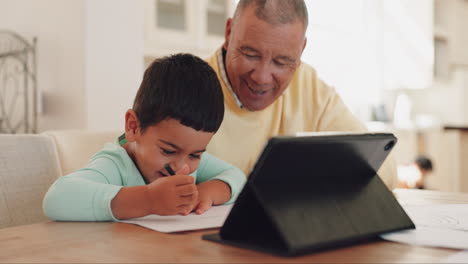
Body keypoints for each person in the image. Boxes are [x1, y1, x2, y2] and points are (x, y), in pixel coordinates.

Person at [205, 0, 397, 188]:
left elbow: (382, 165)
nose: (262, 78)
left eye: (281, 62)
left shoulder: (308, 86)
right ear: (229, 33)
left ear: (301, 50)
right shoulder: (187, 86)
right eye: (250, 55)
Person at [43, 54, 246, 221]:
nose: (181, 167)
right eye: (168, 151)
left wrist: (206, 192)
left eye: (196, 155)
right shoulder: (115, 164)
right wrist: (149, 200)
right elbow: (57, 198)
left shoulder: (183, 158)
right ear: (133, 127)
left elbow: (237, 176)